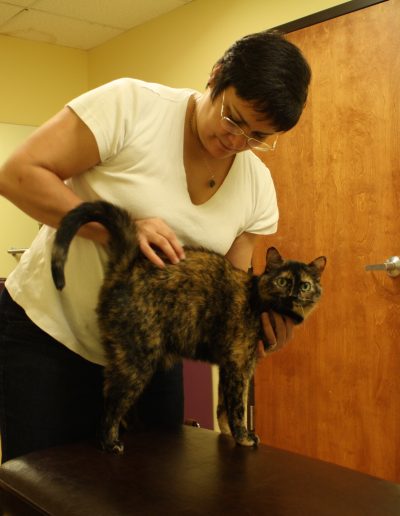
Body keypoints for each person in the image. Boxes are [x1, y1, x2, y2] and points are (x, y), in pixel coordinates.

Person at [0, 29, 311, 462]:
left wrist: (261, 330)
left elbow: (230, 294)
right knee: (44, 485)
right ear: (216, 75)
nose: (236, 143)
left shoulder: (257, 187)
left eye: (257, 136)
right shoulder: (130, 106)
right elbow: (16, 174)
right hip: (51, 335)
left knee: (154, 487)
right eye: (233, 119)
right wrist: (119, 230)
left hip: (153, 351)